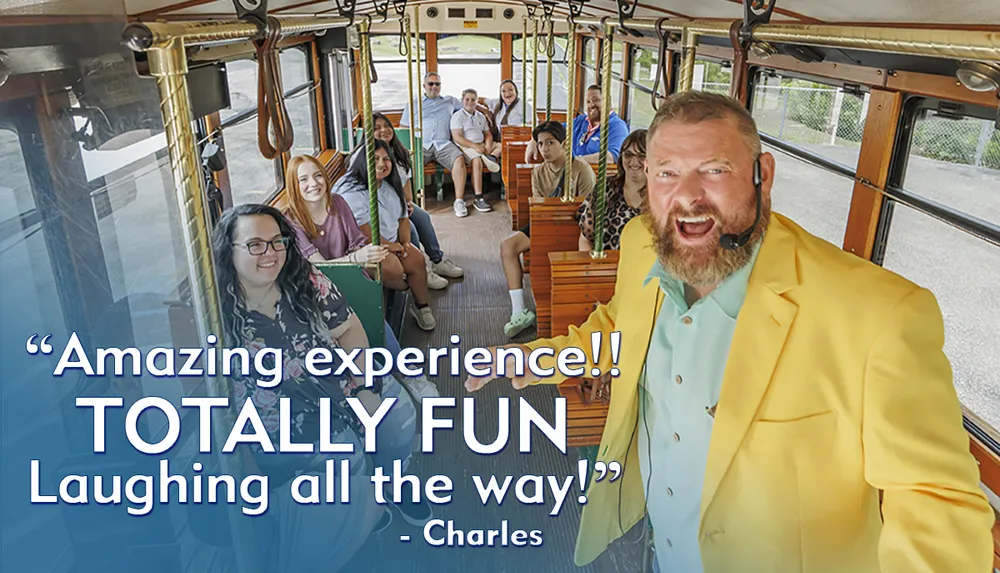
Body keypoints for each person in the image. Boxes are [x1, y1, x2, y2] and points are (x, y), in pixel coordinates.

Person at [466, 91, 995, 572]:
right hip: (654, 544)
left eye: (714, 170)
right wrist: (537, 358)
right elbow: (615, 327)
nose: (687, 196)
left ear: (762, 171)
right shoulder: (641, 243)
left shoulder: (878, 314)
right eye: (666, 173)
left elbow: (936, 502)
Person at [210, 203, 434, 572]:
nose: (270, 253)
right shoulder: (217, 310)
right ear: (228, 251)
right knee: (344, 456)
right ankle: (358, 506)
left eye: (277, 241)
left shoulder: (304, 279)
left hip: (338, 383)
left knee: (398, 414)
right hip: (280, 414)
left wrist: (365, 387)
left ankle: (391, 482)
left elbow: (349, 330)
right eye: (254, 245)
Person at [281, 154, 439, 399]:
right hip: (313, 290)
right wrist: (357, 258)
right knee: (357, 310)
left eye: (317, 175)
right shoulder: (290, 220)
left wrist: (364, 254)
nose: (313, 183)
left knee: (371, 312)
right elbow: (319, 267)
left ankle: (410, 376)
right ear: (294, 184)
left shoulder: (338, 204)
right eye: (303, 179)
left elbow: (355, 243)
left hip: (349, 280)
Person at [501, 121, 596, 339]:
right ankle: (518, 311)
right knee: (508, 246)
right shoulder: (538, 173)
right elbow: (540, 210)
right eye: (541, 144)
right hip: (546, 223)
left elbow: (590, 211)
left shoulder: (581, 170)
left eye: (550, 143)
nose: (544, 149)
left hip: (577, 227)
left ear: (563, 144)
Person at [332, 139, 436, 332]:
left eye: (386, 159)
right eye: (375, 159)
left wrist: (404, 242)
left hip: (392, 241)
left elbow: (402, 217)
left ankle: (422, 307)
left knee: (417, 260)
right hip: (364, 246)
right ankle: (406, 288)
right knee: (394, 268)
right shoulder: (352, 192)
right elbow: (363, 232)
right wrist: (392, 246)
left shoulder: (389, 186)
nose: (381, 164)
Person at [363, 112, 466, 288]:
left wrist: (408, 202)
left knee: (422, 217)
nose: (384, 131)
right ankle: (422, 269)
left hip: (400, 203)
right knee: (410, 228)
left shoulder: (399, 153)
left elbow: (406, 184)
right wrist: (400, 208)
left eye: (387, 126)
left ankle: (437, 259)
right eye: (377, 128)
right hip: (381, 208)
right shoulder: (367, 159)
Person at [400, 72, 471, 218]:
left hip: (443, 143)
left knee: (459, 159)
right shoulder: (413, 104)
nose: (434, 87)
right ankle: (408, 202)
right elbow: (403, 127)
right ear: (424, 86)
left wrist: (487, 110)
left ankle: (459, 201)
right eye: (430, 84)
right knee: (405, 164)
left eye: (437, 84)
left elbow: (469, 104)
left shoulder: (450, 101)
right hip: (421, 144)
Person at [576, 129, 647, 252]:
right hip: (605, 267)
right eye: (628, 155)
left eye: (642, 156)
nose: (634, 161)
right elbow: (586, 238)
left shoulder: (663, 194)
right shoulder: (605, 188)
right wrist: (591, 267)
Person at [523, 85, 629, 165]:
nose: (591, 105)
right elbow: (553, 129)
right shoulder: (581, 121)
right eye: (588, 102)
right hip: (568, 173)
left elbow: (612, 157)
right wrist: (534, 140)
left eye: (596, 100)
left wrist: (573, 162)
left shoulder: (617, 126)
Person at [449, 88, 498, 214]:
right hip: (466, 146)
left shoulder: (480, 116)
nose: (470, 102)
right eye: (467, 99)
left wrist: (487, 146)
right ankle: (478, 198)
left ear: (476, 101)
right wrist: (475, 147)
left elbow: (487, 133)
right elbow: (458, 137)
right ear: (462, 101)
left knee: (503, 146)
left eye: (473, 100)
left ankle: (490, 157)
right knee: (477, 161)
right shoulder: (457, 116)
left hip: (481, 144)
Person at [479, 78, 532, 155]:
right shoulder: (497, 103)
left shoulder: (524, 106)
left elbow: (532, 126)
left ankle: (492, 159)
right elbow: (479, 99)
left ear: (516, 91)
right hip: (499, 140)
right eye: (503, 91)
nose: (507, 93)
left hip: (516, 141)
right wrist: (485, 111)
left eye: (510, 90)